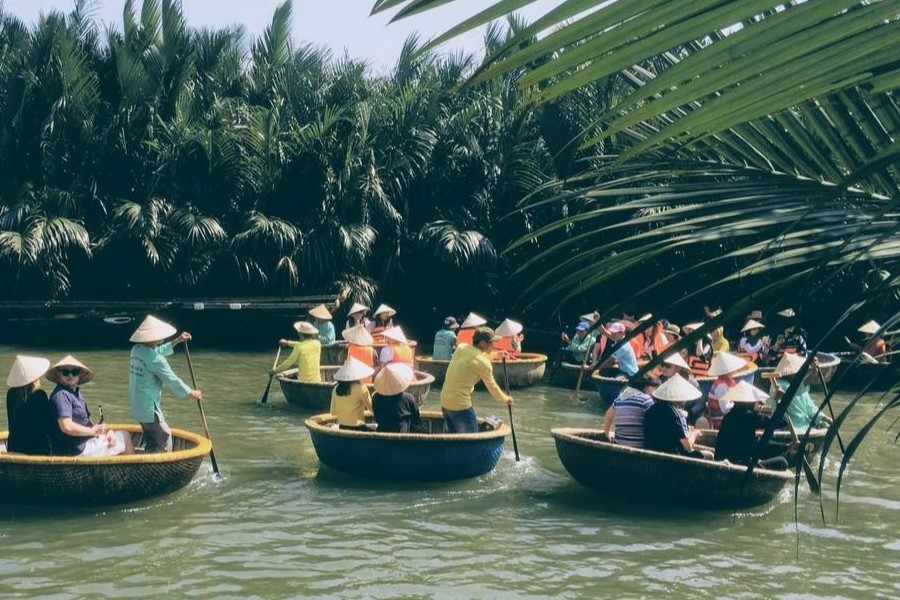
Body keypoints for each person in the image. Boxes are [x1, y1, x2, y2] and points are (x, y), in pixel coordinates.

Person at [129, 315, 202, 452]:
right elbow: (171, 379)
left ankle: (149, 457)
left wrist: (177, 341)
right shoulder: (157, 360)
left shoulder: (136, 350)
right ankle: (159, 464)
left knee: (153, 438)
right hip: (149, 408)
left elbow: (155, 352)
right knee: (164, 436)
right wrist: (190, 392)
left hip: (137, 406)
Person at [49, 356, 133, 457]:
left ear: (79, 374)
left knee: (116, 436)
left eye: (75, 372)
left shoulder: (75, 393)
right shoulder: (62, 395)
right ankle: (131, 468)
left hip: (82, 443)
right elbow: (66, 426)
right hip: (76, 450)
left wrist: (104, 433)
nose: (70, 375)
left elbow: (85, 424)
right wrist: (92, 431)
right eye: (65, 372)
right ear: (58, 374)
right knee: (125, 436)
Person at [440, 326, 513, 433]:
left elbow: (473, 358)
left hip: (444, 402)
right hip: (460, 406)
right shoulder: (483, 363)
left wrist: (495, 355)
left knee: (454, 438)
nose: (493, 345)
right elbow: (492, 387)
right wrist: (506, 399)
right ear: (482, 343)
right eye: (491, 343)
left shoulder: (461, 348)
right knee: (473, 439)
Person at [715, 381, 789, 470]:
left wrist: (784, 447)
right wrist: (779, 400)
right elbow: (783, 421)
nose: (757, 403)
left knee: (769, 448)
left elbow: (756, 442)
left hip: (729, 458)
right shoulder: (750, 416)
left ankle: (784, 448)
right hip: (740, 464)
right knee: (782, 461)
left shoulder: (729, 416)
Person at [643, 374, 708, 459]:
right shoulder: (676, 415)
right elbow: (688, 446)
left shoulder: (649, 410)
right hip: (673, 459)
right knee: (709, 455)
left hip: (651, 457)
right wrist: (694, 434)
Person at [5, 355, 55, 455]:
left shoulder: (11, 394)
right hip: (37, 449)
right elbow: (47, 426)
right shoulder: (39, 396)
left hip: (13, 447)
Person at [773, 353, 830, 432]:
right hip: (791, 427)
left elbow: (810, 407)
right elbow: (792, 392)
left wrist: (825, 418)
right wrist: (813, 372)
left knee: (824, 424)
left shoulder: (800, 387)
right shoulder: (779, 384)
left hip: (806, 424)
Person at [603, 373, 660, 448]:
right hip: (638, 446)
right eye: (655, 389)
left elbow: (608, 415)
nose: (655, 393)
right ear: (647, 387)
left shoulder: (620, 398)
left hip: (619, 444)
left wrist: (607, 433)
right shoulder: (646, 399)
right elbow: (656, 421)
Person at [701, 352, 748, 430]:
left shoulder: (728, 382)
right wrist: (739, 404)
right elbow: (725, 409)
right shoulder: (721, 386)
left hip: (727, 419)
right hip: (721, 422)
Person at [372, 362, 421, 434]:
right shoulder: (408, 398)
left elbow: (376, 417)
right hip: (401, 436)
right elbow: (416, 419)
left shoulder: (376, 398)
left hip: (382, 434)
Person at [329, 357, 375, 431]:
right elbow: (372, 408)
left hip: (342, 427)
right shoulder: (361, 388)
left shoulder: (336, 389)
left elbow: (333, 412)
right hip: (358, 428)